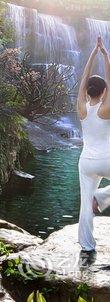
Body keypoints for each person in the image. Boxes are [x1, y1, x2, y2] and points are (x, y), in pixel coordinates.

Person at [77, 36, 110, 253]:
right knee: (94, 198)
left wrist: (92, 54)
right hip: (107, 160)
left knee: (84, 203)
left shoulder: (81, 106)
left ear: (88, 90)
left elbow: (83, 77)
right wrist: (105, 55)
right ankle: (102, 197)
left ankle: (87, 246)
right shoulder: (105, 109)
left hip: (86, 162)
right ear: (104, 91)